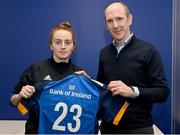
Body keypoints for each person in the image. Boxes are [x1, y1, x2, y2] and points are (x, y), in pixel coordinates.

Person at [97, 2, 169, 134]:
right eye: (110, 21)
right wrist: (86, 80)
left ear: (129, 19)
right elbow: (101, 89)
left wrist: (132, 91)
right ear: (106, 26)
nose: (115, 25)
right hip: (108, 128)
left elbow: (163, 92)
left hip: (138, 129)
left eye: (119, 19)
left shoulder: (148, 51)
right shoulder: (104, 53)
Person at [10, 21, 89, 134]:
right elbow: (13, 101)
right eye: (58, 42)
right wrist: (19, 95)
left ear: (73, 47)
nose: (63, 47)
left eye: (67, 42)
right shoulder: (35, 69)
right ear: (51, 45)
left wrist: (88, 83)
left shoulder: (80, 75)